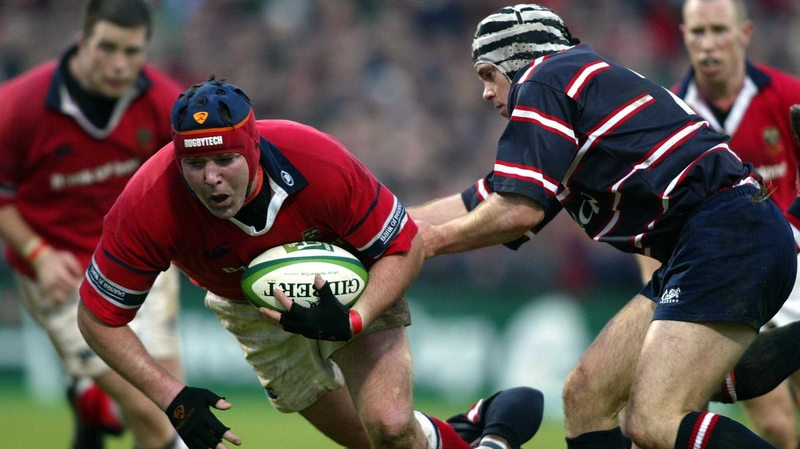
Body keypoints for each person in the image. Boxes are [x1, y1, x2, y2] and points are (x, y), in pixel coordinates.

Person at [74, 77, 542, 449]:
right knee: (370, 440)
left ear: (253, 147)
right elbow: (97, 317)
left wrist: (353, 321)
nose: (211, 178)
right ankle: (475, 431)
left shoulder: (318, 161)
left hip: (350, 277)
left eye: (225, 159)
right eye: (194, 165)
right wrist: (171, 397)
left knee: (391, 426)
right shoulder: (149, 202)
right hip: (247, 306)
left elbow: (406, 246)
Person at [410, 4, 797, 449]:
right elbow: (483, 199)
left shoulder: (542, 79)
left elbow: (517, 210)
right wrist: (392, 225)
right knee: (587, 396)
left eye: (487, 74)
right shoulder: (575, 85)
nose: (485, 92)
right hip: (709, 239)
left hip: (725, 231)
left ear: (515, 61)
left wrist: (431, 242)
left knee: (653, 419)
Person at [0, 1, 187, 448]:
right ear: (82, 43)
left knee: (165, 415)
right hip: (61, 274)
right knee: (156, 408)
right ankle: (91, 396)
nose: (120, 64)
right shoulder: (19, 107)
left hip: (141, 265)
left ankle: (89, 401)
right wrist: (38, 256)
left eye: (132, 51)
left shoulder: (165, 103)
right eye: (107, 48)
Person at [632, 1, 800, 447]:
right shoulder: (667, 114)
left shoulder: (787, 97)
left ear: (744, 34)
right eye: (698, 32)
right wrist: (656, 294)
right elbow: (650, 213)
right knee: (776, 422)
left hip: (794, 265)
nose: (708, 44)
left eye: (718, 31)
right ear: (683, 35)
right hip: (723, 277)